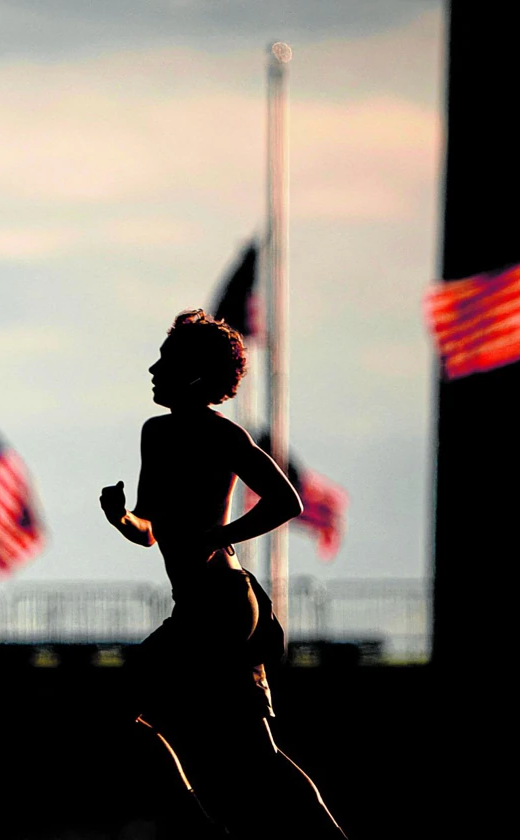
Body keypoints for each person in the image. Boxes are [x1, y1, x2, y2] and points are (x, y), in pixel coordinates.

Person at [100, 309, 347, 838]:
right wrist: (122, 517)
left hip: (222, 605)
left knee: (123, 703)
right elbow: (152, 528)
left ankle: (208, 833)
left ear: (193, 374)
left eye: (164, 361)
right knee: (258, 753)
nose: (152, 369)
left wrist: (219, 536)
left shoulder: (224, 436)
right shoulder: (156, 433)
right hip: (203, 605)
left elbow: (288, 501)